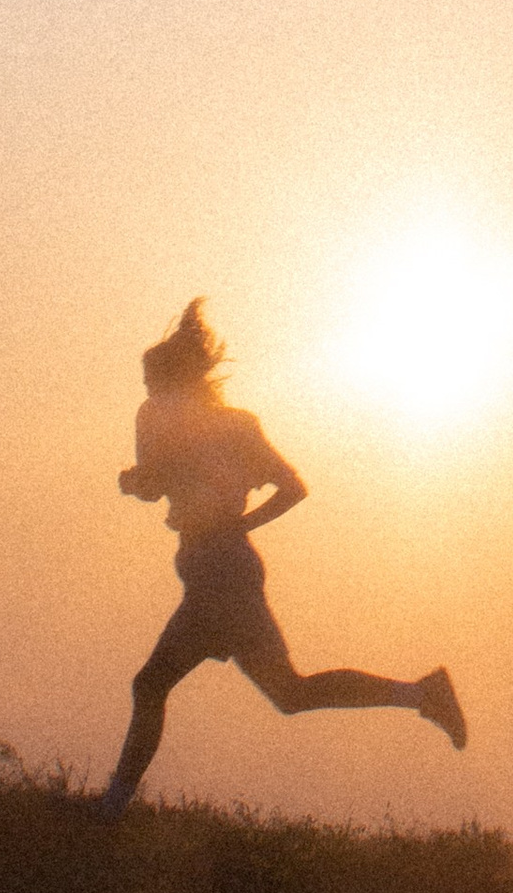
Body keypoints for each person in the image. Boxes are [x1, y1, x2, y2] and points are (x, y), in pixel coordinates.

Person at [97, 299, 465, 818]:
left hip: (222, 572)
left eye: (153, 381)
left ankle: (113, 807)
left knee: (152, 683)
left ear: (179, 380)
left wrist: (233, 523)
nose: (147, 391)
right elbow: (158, 484)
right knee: (290, 693)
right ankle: (422, 694)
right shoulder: (166, 419)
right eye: (145, 383)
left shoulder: (234, 427)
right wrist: (140, 483)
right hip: (215, 565)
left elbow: (292, 487)